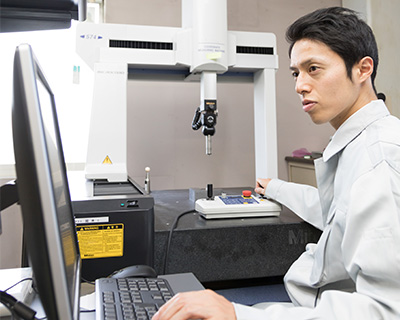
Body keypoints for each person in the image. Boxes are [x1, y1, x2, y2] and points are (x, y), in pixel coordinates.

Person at [153, 6, 400, 320]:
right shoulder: (360, 144)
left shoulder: (379, 160)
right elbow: (338, 212)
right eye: (296, 73)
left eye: (314, 69)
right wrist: (276, 188)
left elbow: (387, 312)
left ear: (363, 69)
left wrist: (237, 315)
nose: (299, 85)